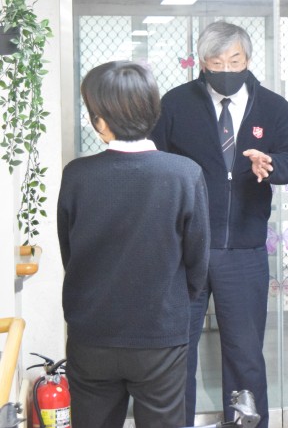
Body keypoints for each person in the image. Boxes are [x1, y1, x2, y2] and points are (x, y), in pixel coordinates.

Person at [151, 21, 288, 427]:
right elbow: (154, 161)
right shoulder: (175, 104)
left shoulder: (272, 106)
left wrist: (271, 166)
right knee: (176, 351)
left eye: (234, 61)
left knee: (244, 353)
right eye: (216, 63)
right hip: (186, 251)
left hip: (244, 251)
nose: (226, 70)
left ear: (248, 59)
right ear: (202, 63)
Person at [58, 61, 210, 428]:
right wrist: (172, 304)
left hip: (91, 333)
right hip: (160, 333)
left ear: (100, 120)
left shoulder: (77, 175)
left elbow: (70, 253)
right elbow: (197, 262)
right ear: (153, 112)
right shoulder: (184, 174)